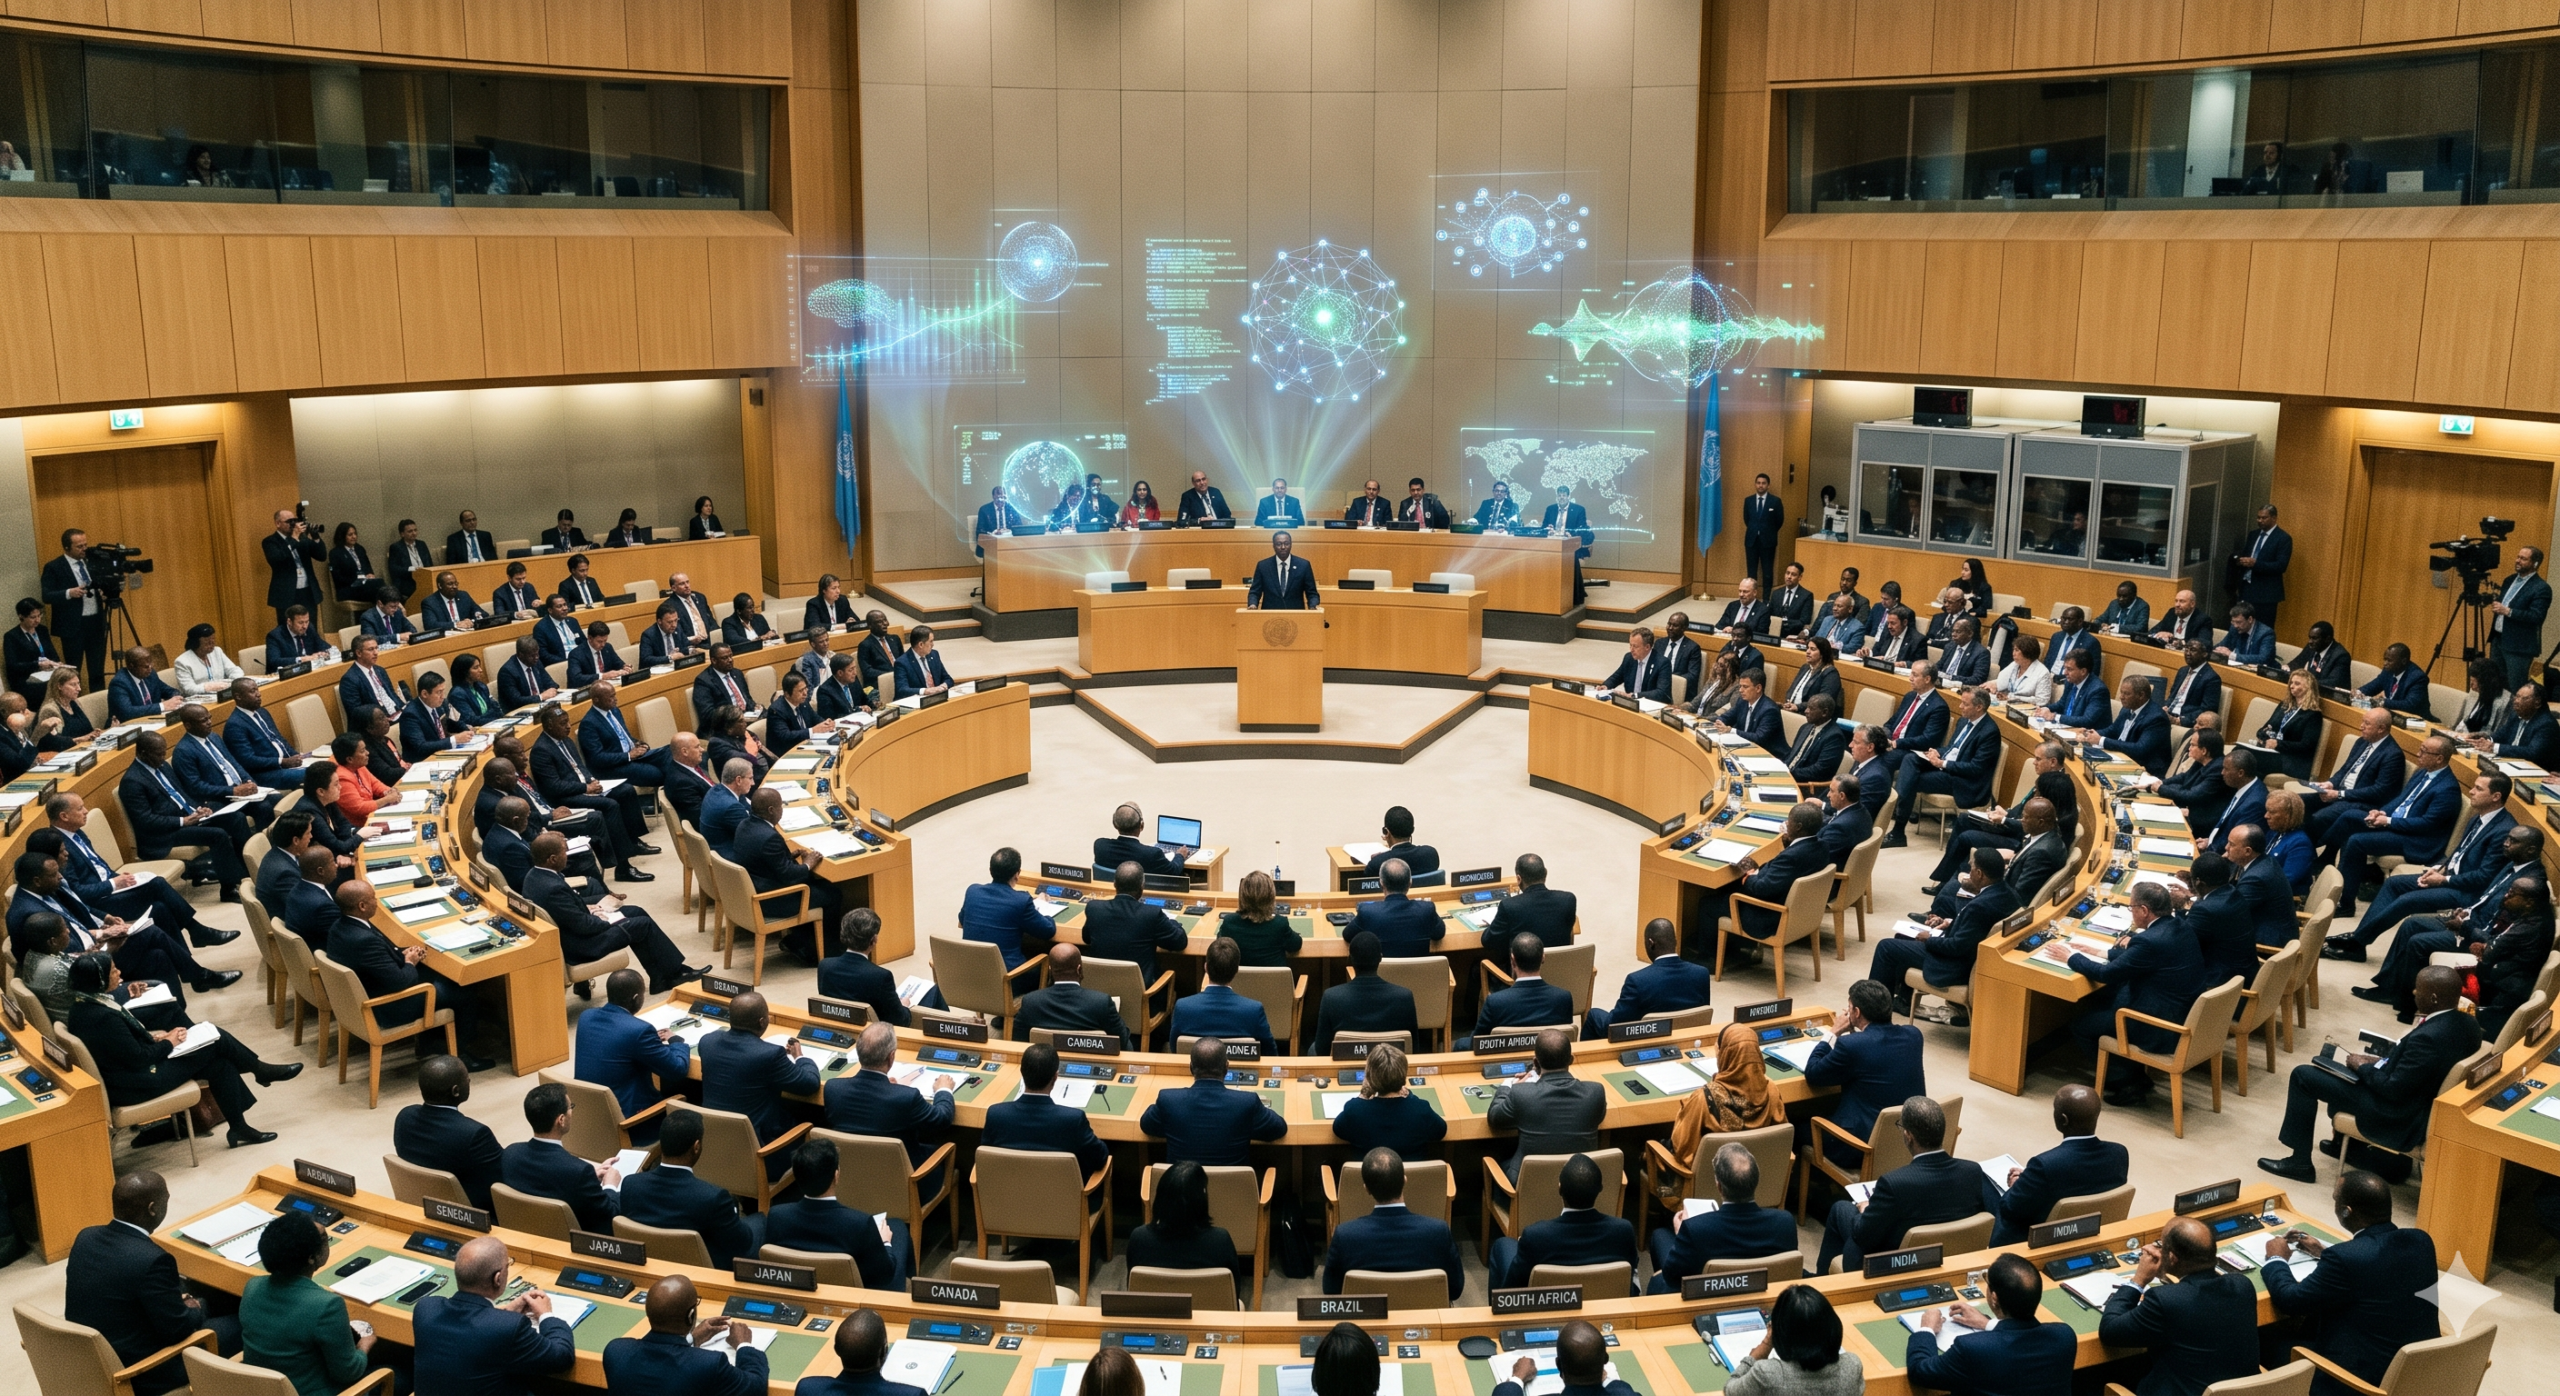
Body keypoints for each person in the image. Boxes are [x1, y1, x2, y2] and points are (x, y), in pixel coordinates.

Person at [66, 951, 292, 1147]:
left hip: (128, 1075)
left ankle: (239, 1127)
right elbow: (139, 1059)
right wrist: (169, 1043)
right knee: (216, 1039)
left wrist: (155, 1039)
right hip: (138, 1083)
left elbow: (120, 1048)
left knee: (219, 1064)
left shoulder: (85, 1005)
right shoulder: (103, 1017)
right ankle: (258, 1070)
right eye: (113, 971)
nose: (119, 972)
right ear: (99, 980)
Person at [2261, 1171, 2443, 1395]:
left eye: (2336, 1199)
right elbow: (2379, 1270)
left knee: (2263, 1343)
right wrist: (2324, 1252)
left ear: (2346, 1212)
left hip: (2359, 1382)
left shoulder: (2345, 1258)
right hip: (2420, 1373)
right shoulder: (2421, 1240)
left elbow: (2290, 1300)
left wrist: (2276, 1259)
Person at [66, 1172, 240, 1395]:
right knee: (246, 1319)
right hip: (146, 1371)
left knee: (196, 1292)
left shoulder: (86, 1238)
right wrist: (196, 1306)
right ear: (152, 1209)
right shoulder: (152, 1259)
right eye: (165, 1200)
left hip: (96, 1358)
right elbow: (178, 1330)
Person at [1814, 1093, 2001, 1273]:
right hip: (1953, 1258)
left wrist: (1864, 1210)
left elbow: (1864, 1234)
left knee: (1841, 1209)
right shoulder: (1972, 1171)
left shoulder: (1893, 1183)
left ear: (1908, 1135)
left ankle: (1821, 1284)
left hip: (1894, 1263)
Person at [328, 880, 493, 1070]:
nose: (377, 901)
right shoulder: (363, 940)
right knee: (463, 990)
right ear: (362, 906)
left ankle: (431, 1041)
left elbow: (376, 963)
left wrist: (403, 955)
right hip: (390, 1006)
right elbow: (401, 982)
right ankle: (461, 1054)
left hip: (371, 991)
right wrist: (409, 962)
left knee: (438, 973)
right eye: (373, 898)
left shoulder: (340, 927)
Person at [2069, 883, 2209, 1105]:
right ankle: (2132, 1075)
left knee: (2082, 1026)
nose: (2131, 912)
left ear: (2144, 910)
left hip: (2158, 1025)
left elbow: (2105, 974)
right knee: (2105, 999)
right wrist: (2101, 951)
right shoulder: (2179, 926)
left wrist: (2071, 956)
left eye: (2131, 907)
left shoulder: (2149, 941)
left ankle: (2126, 1083)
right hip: (2180, 1012)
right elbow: (2142, 959)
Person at [2097, 1216, 2264, 1396]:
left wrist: (2138, 1280)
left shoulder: (2165, 1300)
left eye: (2161, 1245)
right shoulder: (2242, 1285)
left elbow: (2110, 1331)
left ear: (2172, 1258)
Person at [409, 1235, 575, 1395]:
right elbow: (561, 1357)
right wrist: (546, 1315)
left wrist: (504, 1313)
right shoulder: (508, 1328)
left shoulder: (425, 1309)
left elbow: (474, 1328)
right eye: (508, 1265)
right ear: (498, 1278)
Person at [242, 1210, 383, 1396]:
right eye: (325, 1239)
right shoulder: (327, 1305)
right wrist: (365, 1344)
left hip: (261, 1390)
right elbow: (348, 1372)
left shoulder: (252, 1287)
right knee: (396, 1374)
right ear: (311, 1256)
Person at [1903, 1254, 2076, 1395]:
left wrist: (1926, 1329)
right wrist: (1988, 1324)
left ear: (1994, 1298)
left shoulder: (1972, 1348)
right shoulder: (2064, 1336)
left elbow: (1920, 1371)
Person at [1871, 847, 2017, 1013]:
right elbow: (1975, 928)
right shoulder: (2009, 893)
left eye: (1971, 868)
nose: (1968, 872)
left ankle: (1875, 1010)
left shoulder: (1980, 906)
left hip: (1955, 964)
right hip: (1969, 951)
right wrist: (1950, 922)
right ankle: (1904, 1000)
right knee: (1902, 936)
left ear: (1979, 873)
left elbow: (1957, 947)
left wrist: (1929, 939)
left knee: (1886, 947)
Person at [1800, 979, 1925, 1166]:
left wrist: (1833, 1032)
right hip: (1905, 1141)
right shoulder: (1914, 1035)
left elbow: (1814, 1073)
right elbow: (1872, 1056)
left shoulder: (1852, 1046)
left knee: (1795, 1126)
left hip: (1859, 1147)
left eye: (1849, 1007)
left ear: (1856, 1012)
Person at [2331, 733, 2459, 915]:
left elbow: (2427, 824)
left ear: (2439, 758)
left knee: (2356, 841)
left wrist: (2389, 821)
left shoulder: (2448, 788)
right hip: (2398, 826)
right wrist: (2382, 812)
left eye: (2424, 751)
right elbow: (2402, 799)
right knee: (2350, 818)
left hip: (2416, 840)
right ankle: (2324, 860)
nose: (2418, 753)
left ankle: (2346, 904)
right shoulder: (2423, 772)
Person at [823, 1021, 958, 1193]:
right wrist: (944, 1090)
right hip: (905, 1188)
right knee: (946, 1148)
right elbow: (942, 1118)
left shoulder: (833, 1089)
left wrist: (889, 1088)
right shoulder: (906, 1097)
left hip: (850, 1182)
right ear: (891, 1056)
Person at [618, 1108, 763, 1268]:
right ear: (696, 1146)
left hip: (649, 1265)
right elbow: (741, 1244)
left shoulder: (630, 1185)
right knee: (761, 1222)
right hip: (704, 1271)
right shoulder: (713, 1197)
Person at [1647, 1142, 1799, 1294]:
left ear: (1719, 1187)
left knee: (1659, 1236)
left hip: (1706, 1298)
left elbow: (1671, 1277)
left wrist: (1681, 1234)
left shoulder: (1695, 1229)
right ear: (1756, 1182)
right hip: (1766, 1295)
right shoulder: (1785, 1222)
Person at [699, 991, 820, 1172]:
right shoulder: (769, 1055)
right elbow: (810, 1084)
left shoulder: (707, 1042)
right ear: (762, 1022)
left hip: (713, 1146)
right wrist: (801, 1057)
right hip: (762, 1153)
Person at [1989, 1085, 2127, 1244]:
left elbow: (2010, 1209)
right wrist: (2029, 1181)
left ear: (2063, 1119)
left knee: (1986, 1185)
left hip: (2043, 1238)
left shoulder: (2045, 1164)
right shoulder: (2119, 1153)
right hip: (2092, 1231)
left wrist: (2016, 1186)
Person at [121, 730, 252, 897]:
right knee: (217, 835)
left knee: (236, 819)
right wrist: (183, 821)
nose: (163, 758)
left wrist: (197, 808)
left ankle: (247, 871)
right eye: (159, 754)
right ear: (143, 753)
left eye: (164, 752)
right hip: (163, 834)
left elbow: (181, 794)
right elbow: (146, 821)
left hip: (187, 817)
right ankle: (228, 889)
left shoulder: (162, 766)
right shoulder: (132, 781)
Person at [766, 1137, 909, 1289]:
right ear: (836, 1176)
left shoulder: (776, 1216)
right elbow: (883, 1275)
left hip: (799, 1289)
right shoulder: (860, 1223)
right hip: (854, 1294)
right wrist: (885, 1243)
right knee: (898, 1228)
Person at [1322, 1148, 1464, 1299]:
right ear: (1404, 1180)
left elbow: (1331, 1291)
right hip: (1424, 1318)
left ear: (1367, 1189)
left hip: (1366, 1320)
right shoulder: (1439, 1231)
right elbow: (1455, 1289)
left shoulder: (1344, 1236)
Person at [1697, 803, 1833, 958]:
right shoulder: (1822, 846)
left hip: (1768, 917)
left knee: (1708, 903)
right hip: (1800, 912)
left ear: (1799, 827)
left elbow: (1761, 890)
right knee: (1729, 888)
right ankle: (1737, 945)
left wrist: (1750, 872)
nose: (1786, 825)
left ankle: (1709, 959)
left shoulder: (1792, 856)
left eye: (1789, 822)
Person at [1489, 1152, 1637, 1290]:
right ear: (1600, 1189)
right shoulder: (1623, 1231)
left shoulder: (1535, 1236)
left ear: (1560, 1189)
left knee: (1502, 1245)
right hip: (1607, 1308)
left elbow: (1512, 1289)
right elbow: (1632, 1282)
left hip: (1548, 1310)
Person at [601, 1273, 766, 1396]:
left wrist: (691, 1339)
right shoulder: (710, 1364)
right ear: (691, 1315)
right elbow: (755, 1387)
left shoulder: (615, 1351)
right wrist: (744, 1345)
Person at [573, 968, 688, 1138]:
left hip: (592, 1120)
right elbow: (678, 1069)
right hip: (632, 1124)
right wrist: (676, 1042)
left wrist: (649, 1043)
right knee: (690, 1101)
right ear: (636, 998)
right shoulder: (639, 1031)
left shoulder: (586, 1017)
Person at [1142, 1037, 1289, 1165]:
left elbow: (1147, 1125)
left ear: (1191, 1068)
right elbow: (1279, 1128)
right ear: (1226, 1067)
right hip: (1232, 1194)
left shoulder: (1168, 1100)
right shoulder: (1246, 1102)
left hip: (1184, 1193)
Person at [1882, 685, 1998, 847]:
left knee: (1912, 779)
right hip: (1947, 767)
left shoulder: (1990, 732)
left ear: (1979, 707)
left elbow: (1976, 768)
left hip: (1963, 780)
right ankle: (1898, 811)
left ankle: (1898, 830)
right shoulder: (1964, 720)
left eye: (1965, 704)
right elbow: (1953, 749)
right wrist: (1937, 752)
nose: (1960, 707)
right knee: (1910, 759)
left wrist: (1943, 763)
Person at [1487, 1028, 1604, 1178]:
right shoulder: (1595, 1092)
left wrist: (1508, 1087)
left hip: (1529, 1184)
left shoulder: (1521, 1094)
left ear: (1535, 1062)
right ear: (1571, 1060)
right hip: (1579, 1180)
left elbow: (1495, 1118)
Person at [981, 1042, 1108, 1178]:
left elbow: (985, 1160)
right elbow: (1100, 1158)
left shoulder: (996, 1115)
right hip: (1063, 1198)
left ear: (1022, 1073)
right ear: (1055, 1077)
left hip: (1006, 1197)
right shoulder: (1073, 1120)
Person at [395, 1053, 505, 1210]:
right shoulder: (473, 1134)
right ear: (456, 1091)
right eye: (467, 1078)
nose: (469, 1080)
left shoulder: (404, 1116)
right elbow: (501, 1177)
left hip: (420, 1204)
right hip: (469, 1212)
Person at [733, 788, 835, 955]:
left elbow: (765, 860)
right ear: (771, 810)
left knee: (817, 885)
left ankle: (800, 940)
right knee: (832, 893)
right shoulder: (768, 837)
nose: (782, 810)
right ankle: (816, 952)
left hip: (756, 888)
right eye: (780, 806)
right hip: (772, 899)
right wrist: (808, 864)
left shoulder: (745, 825)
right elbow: (788, 875)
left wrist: (788, 855)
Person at [1721, 1285, 1862, 1396]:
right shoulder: (1852, 1366)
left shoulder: (1767, 1374)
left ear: (1782, 1335)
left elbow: (1731, 1390)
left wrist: (1757, 1353)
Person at [1128, 1158, 1242, 1294]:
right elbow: (1234, 1292)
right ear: (1201, 1200)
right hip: (1209, 1314)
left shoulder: (1139, 1239)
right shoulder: (1221, 1241)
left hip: (1154, 1313)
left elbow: (1133, 1288)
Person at [1588, 918, 1713, 1037]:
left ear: (1650, 943)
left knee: (1593, 1015)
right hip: (1687, 1040)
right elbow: (1700, 1017)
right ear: (1675, 941)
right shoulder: (1701, 974)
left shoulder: (1637, 981)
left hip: (1647, 1044)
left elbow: (1614, 1026)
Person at [1079, 861, 1190, 993]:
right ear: (1142, 886)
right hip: (1144, 999)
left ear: (1114, 884)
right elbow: (1180, 942)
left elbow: (1086, 938)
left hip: (1099, 996)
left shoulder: (1094, 908)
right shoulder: (1151, 914)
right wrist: (1173, 922)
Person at [1310, 927, 1421, 1053]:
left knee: (1312, 1049)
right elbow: (1413, 1049)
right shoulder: (1404, 997)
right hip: (1389, 1066)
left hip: (1344, 1068)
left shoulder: (1331, 997)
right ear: (1380, 958)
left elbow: (1321, 1050)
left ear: (1350, 960)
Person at [1331, 1041, 1443, 1159]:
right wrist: (1410, 1095)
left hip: (1368, 1177)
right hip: (1413, 1178)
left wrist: (1363, 1095)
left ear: (1369, 1077)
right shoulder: (1421, 1110)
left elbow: (1338, 1129)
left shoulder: (1354, 1110)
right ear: (1403, 1075)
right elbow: (1441, 1131)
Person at [1168, 937, 1278, 1052]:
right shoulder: (1254, 1011)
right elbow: (1270, 1054)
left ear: (1206, 967)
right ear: (1236, 970)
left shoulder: (1183, 1007)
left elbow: (1175, 1049)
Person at [1014, 943, 1133, 1045]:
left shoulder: (1030, 1002)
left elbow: (1018, 1041)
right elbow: (1122, 1040)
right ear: (1079, 969)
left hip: (1045, 1065)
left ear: (1050, 970)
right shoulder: (1102, 1002)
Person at [1470, 934, 1573, 1042]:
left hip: (1506, 1058)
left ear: (1512, 960)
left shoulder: (1495, 1002)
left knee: (1460, 1044)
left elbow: (1476, 1043)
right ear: (1543, 957)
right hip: (1547, 1056)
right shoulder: (1564, 999)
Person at [817, 908, 909, 1027]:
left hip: (836, 1026)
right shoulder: (881, 976)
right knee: (933, 994)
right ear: (874, 939)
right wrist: (904, 1007)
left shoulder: (825, 966)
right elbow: (900, 1020)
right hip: (874, 1033)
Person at [1343, 860, 1433, 958]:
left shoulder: (1367, 912)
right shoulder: (1426, 909)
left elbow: (1347, 935)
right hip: (1420, 973)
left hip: (1380, 973)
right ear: (1410, 883)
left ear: (1381, 884)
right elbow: (1439, 933)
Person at [2490, 543, 2549, 688]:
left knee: (2515, 688)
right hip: (2498, 640)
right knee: (2495, 685)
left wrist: (2508, 611)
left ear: (2535, 563)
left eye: (2523, 559)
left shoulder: (2541, 588)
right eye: (2518, 557)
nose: (2518, 560)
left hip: (2519, 647)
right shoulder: (2509, 580)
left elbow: (2536, 616)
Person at [2231, 503, 2292, 633]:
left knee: (2262, 630)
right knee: (2240, 626)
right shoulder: (2253, 534)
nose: (2260, 521)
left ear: (2274, 518)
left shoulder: (2283, 538)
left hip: (2266, 594)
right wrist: (2240, 560)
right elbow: (2246, 553)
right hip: (2246, 589)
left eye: (2264, 518)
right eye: (2258, 517)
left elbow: (2281, 566)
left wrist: (2256, 564)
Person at [261, 511, 326, 632]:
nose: (293, 524)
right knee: (287, 630)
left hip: (308, 592)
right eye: (289, 521)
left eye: (294, 520)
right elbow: (277, 559)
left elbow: (321, 556)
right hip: (287, 593)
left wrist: (316, 537)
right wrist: (294, 539)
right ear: (278, 523)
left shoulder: (302, 539)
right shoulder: (270, 542)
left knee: (310, 628)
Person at [1093, 802, 1189, 879]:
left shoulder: (1100, 846)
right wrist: (1180, 855)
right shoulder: (1152, 854)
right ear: (1141, 826)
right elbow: (1174, 871)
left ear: (1114, 824)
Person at [1246, 530, 1319, 610]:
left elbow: (1312, 593)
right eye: (1279, 544)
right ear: (1273, 546)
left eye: (1286, 543)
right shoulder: (1263, 566)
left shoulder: (1303, 565)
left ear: (1291, 545)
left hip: (1296, 615)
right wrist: (1253, 604)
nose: (1283, 547)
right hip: (1270, 615)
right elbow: (1255, 592)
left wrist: (1313, 606)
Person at [107, 645, 181, 720]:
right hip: (124, 726)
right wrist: (162, 706)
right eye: (146, 667)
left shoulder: (150, 675)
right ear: (131, 666)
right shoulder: (119, 683)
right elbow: (127, 712)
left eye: (151, 664)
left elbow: (167, 690)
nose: (150, 668)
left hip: (151, 721)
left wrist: (177, 697)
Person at [2357, 641, 2430, 716]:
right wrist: (2358, 692)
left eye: (2389, 660)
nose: (2385, 663)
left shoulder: (2417, 677)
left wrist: (2383, 702)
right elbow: (2374, 685)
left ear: (2403, 661)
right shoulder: (2388, 671)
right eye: (2385, 659)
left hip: (2417, 721)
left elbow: (2410, 705)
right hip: (2392, 716)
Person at [1739, 472, 1783, 591]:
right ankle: (1751, 597)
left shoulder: (1775, 501)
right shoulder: (1748, 501)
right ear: (1755, 484)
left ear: (1768, 485)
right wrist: (1756, 530)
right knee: (1751, 572)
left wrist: (1767, 531)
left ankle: (1766, 599)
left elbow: (1779, 521)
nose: (1760, 485)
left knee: (1767, 572)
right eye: (1758, 483)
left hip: (1768, 541)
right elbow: (1746, 519)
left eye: (1763, 483)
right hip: (1751, 540)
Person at [1599, 626, 1668, 701]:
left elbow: (1661, 693)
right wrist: (1606, 686)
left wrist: (1635, 695)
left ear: (1647, 647)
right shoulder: (1629, 658)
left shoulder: (1662, 663)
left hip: (1652, 705)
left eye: (1635, 646)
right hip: (1631, 704)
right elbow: (1617, 677)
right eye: (1630, 645)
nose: (1631, 650)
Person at [890, 624, 955, 697]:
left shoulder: (934, 654)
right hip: (916, 702)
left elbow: (948, 679)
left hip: (936, 699)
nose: (933, 644)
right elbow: (902, 690)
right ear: (921, 644)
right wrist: (925, 691)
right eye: (931, 641)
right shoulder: (902, 663)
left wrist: (944, 685)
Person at [2214, 600, 2276, 666]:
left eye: (2239, 622)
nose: (2235, 625)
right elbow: (2223, 645)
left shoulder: (2266, 633)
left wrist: (2232, 655)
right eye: (2233, 622)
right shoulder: (2234, 628)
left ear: (2250, 619)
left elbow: (2263, 658)